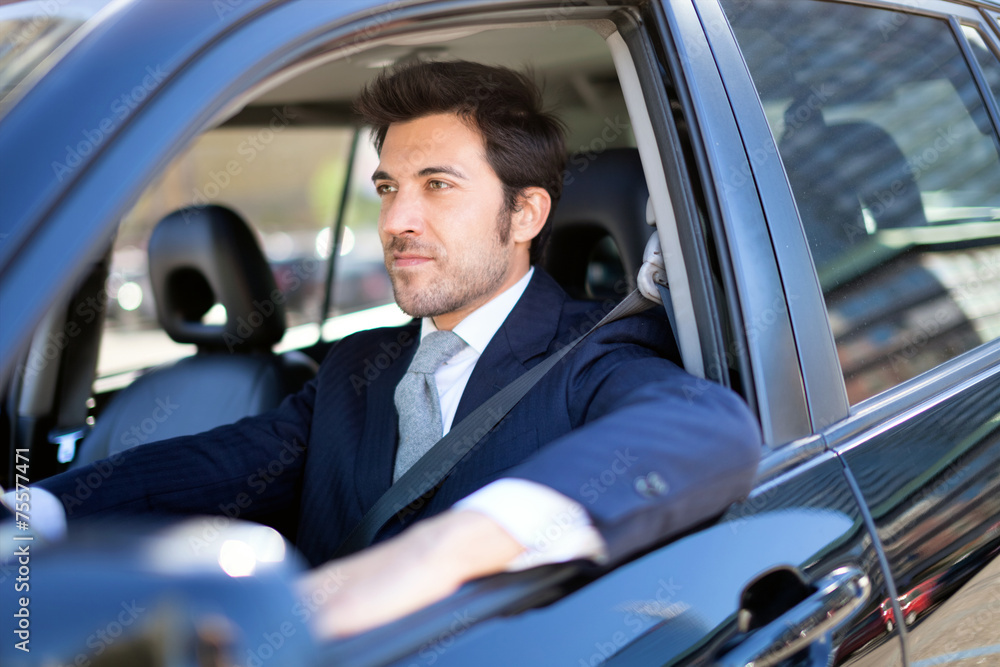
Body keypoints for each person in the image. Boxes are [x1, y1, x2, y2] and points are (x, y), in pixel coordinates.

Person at [33, 60, 761, 639]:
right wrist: (36, 512)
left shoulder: (591, 352)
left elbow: (707, 426)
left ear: (526, 213)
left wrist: (446, 550)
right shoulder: (356, 365)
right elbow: (221, 463)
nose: (396, 221)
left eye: (437, 186)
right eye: (388, 188)